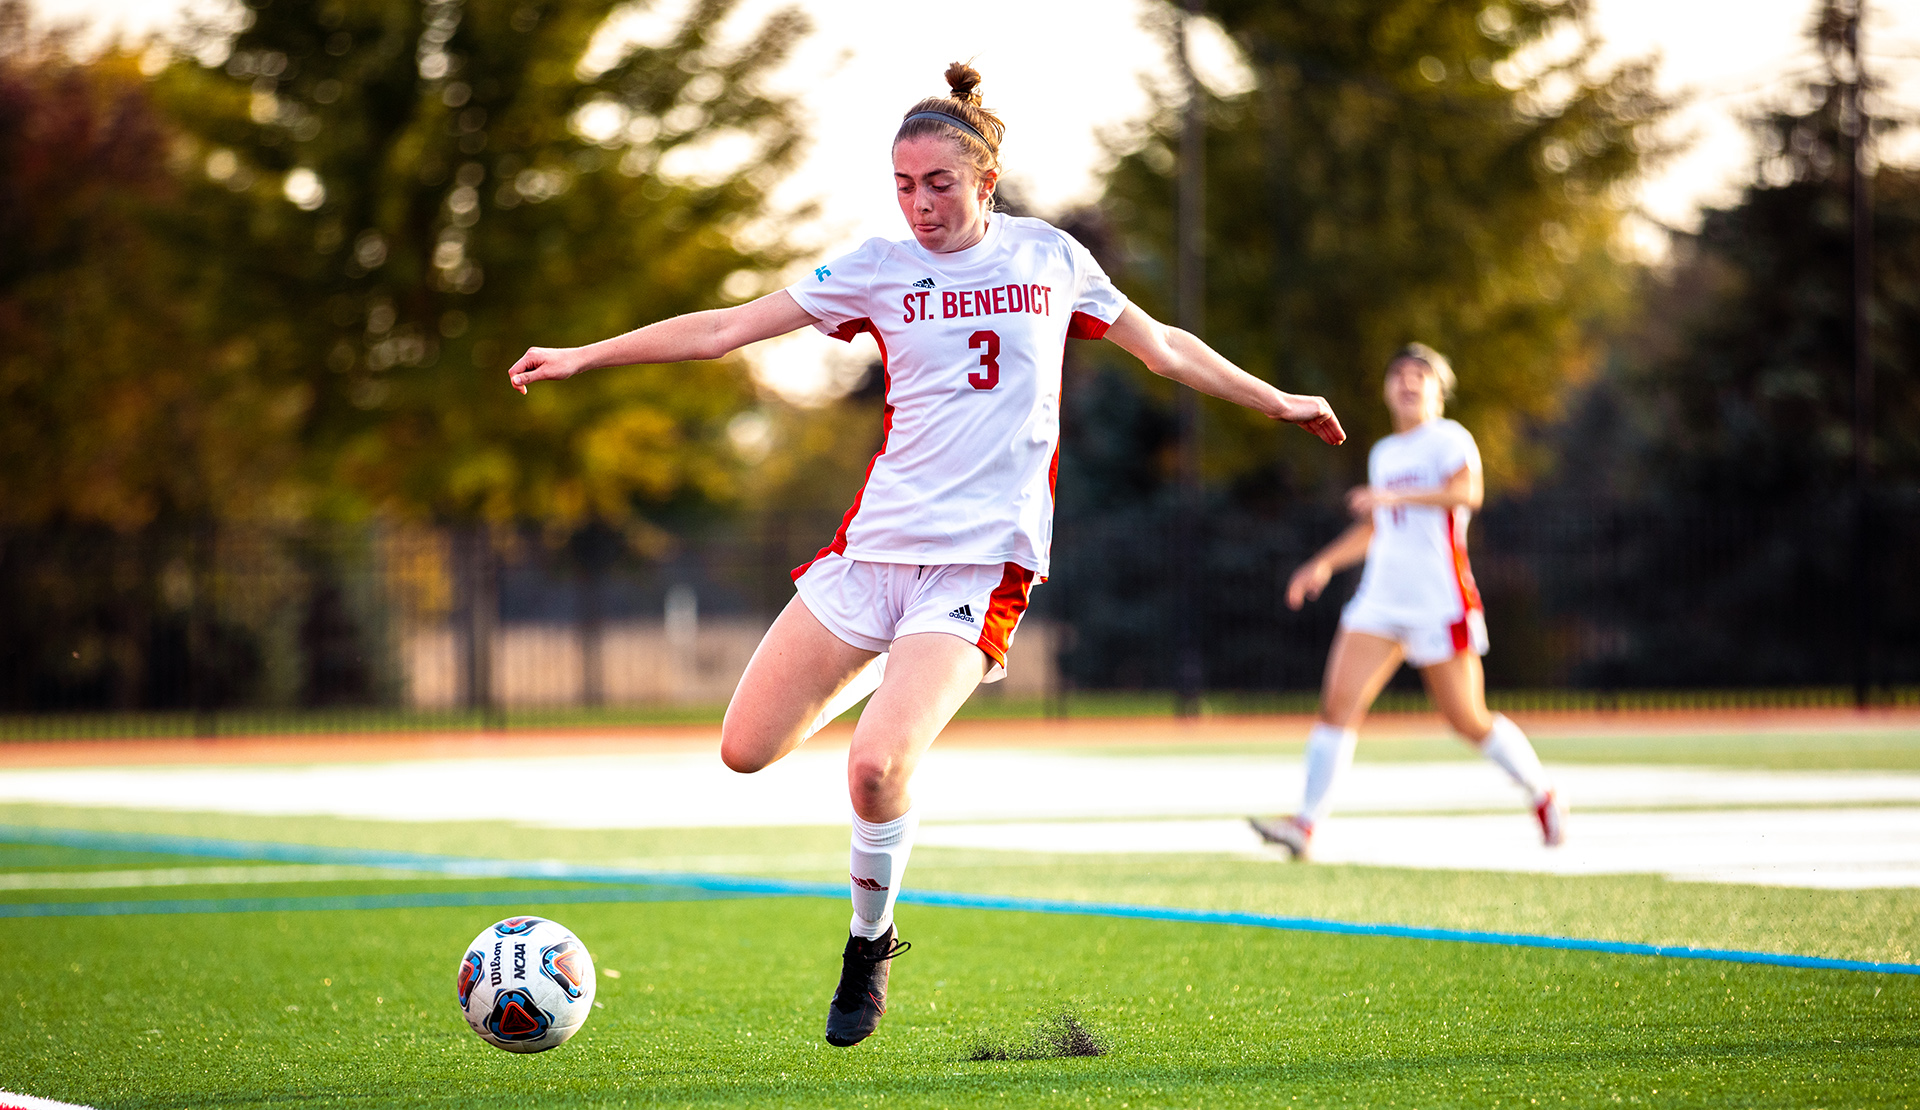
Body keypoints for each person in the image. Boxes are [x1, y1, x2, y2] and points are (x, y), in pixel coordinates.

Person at [509, 63, 1346, 1047]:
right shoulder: (877, 267)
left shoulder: (1050, 260)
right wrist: (582, 354)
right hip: (870, 558)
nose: (919, 205)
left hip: (978, 567)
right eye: (903, 185)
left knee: (871, 768)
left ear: (986, 181)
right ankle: (900, 685)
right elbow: (727, 330)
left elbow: (1165, 348)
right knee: (744, 750)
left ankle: (870, 943)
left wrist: (1278, 400)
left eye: (939, 184)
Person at [1250, 344, 1564, 860]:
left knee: (1467, 720)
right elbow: (1377, 526)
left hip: (1440, 600)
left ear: (1439, 391)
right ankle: (1304, 826)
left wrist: (1394, 498)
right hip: (1380, 602)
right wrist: (1323, 563)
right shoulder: (1384, 454)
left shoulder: (1449, 439)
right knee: (1336, 708)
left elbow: (1468, 494)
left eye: (1421, 374)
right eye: (1398, 373)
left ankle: (1542, 793)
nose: (1408, 380)